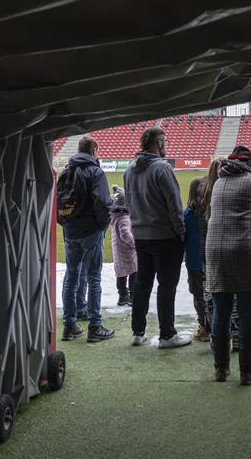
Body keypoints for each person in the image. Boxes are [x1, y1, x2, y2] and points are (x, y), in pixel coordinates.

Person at [204, 146, 251, 384]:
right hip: (244, 250)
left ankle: (220, 369)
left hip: (215, 251)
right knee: (247, 312)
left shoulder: (218, 182)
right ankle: (248, 370)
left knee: (221, 311)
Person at [125, 127, 191, 348]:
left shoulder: (129, 170)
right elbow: (174, 205)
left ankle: (137, 332)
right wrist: (181, 231)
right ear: (159, 143)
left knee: (142, 283)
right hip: (165, 236)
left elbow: (129, 204)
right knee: (166, 285)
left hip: (140, 235)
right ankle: (167, 334)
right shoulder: (163, 168)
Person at [58, 136, 115, 343]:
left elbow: (57, 202)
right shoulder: (95, 172)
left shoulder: (66, 171)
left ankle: (69, 325)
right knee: (94, 278)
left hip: (70, 231)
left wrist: (65, 223)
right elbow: (102, 202)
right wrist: (102, 225)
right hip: (91, 231)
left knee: (71, 277)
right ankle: (94, 326)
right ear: (94, 150)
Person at [184, 174, 211, 341]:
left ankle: (203, 327)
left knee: (198, 295)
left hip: (193, 262)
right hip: (207, 261)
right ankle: (211, 326)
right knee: (210, 295)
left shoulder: (187, 214)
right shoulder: (209, 213)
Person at [109, 186, 138, 307]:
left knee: (120, 274)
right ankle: (132, 295)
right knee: (133, 272)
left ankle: (122, 295)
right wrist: (134, 244)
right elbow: (125, 234)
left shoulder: (114, 217)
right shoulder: (124, 219)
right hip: (127, 251)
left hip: (118, 250)